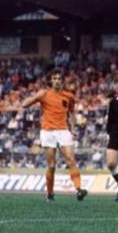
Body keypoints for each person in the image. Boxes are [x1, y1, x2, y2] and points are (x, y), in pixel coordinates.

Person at [22, 69, 87, 202]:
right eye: (54, 78)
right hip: (48, 131)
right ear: (51, 81)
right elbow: (25, 104)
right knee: (51, 165)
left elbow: (71, 113)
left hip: (63, 130)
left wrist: (72, 128)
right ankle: (50, 194)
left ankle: (79, 189)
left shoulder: (69, 96)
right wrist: (34, 98)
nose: (57, 81)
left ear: (62, 81)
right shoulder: (44, 93)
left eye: (59, 79)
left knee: (71, 160)